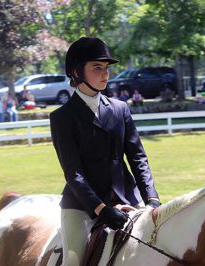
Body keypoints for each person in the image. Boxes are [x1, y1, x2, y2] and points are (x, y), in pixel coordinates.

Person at [50, 37, 160, 266]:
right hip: (82, 206)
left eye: (107, 68)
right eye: (97, 68)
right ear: (76, 72)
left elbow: (137, 157)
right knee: (73, 261)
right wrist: (101, 209)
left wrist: (151, 198)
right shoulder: (62, 118)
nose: (105, 74)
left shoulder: (120, 109)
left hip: (127, 197)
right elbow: (73, 173)